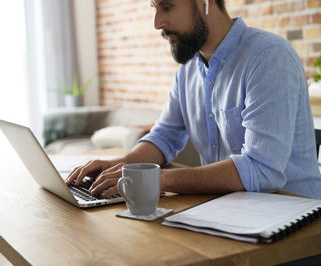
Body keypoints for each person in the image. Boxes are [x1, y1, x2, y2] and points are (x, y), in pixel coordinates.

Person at [66, 0, 321, 199]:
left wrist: (155, 179)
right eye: (154, 8)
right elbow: (164, 137)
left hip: (296, 226)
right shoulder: (187, 72)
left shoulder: (268, 57)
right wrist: (118, 166)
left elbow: (261, 170)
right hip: (232, 211)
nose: (157, 22)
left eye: (167, 7)